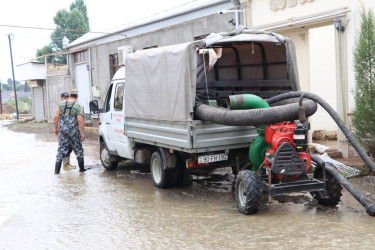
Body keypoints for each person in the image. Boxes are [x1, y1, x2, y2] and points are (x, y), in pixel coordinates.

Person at [54, 89, 87, 174]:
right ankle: (82, 169)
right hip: (74, 132)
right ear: (77, 96)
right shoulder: (77, 106)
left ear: (70, 95)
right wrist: (82, 133)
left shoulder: (61, 104)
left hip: (63, 131)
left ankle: (57, 172)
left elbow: (56, 117)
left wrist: (56, 128)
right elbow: (80, 120)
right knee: (78, 149)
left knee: (61, 149)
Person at [60, 92, 76, 170]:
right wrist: (56, 129)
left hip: (70, 130)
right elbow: (56, 117)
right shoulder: (61, 106)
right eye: (65, 97)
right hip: (63, 131)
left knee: (69, 148)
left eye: (67, 97)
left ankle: (66, 164)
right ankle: (64, 165)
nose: (66, 99)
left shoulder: (69, 106)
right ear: (61, 98)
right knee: (63, 148)